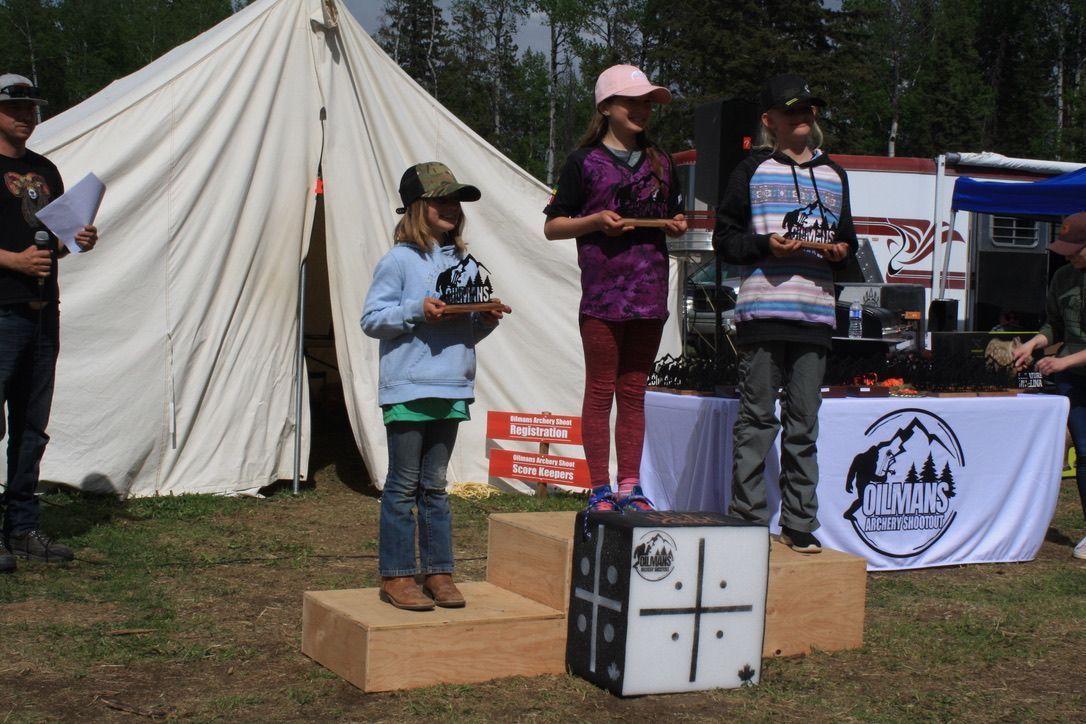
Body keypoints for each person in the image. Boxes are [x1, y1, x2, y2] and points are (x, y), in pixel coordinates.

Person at [712, 74, 857, 553]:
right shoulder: (750, 170)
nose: (803, 117)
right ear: (770, 120)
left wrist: (840, 252)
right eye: (792, 111)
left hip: (815, 314)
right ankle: (749, 520)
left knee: (804, 424)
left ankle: (799, 523)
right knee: (756, 420)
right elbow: (725, 239)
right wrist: (763, 244)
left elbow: (850, 244)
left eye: (809, 109)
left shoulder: (836, 174)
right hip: (763, 311)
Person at [361, 162, 508, 609]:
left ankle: (439, 573)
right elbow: (371, 320)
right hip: (407, 388)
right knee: (403, 485)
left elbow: (461, 332)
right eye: (441, 199)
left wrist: (483, 320)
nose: (452, 208)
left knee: (436, 486)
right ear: (416, 208)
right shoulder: (398, 260)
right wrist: (415, 310)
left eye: (456, 201)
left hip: (451, 387)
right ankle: (397, 576)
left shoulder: (463, 261)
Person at [543, 64, 687, 513]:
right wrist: (594, 222)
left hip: (649, 293)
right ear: (606, 107)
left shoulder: (662, 161)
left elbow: (677, 217)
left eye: (648, 102)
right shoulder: (582, 162)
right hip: (604, 296)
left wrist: (678, 225)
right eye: (633, 102)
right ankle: (599, 488)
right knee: (601, 389)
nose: (643, 110)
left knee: (634, 391)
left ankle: (631, 485)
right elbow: (552, 226)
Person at [0, 74, 97, 572]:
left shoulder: (45, 171)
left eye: (31, 108)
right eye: (15, 108)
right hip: (1, 310)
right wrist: (12, 262)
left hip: (42, 312)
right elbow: (20, 252)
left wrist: (76, 238)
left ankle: (21, 527)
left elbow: (51, 240)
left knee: (32, 428)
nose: (25, 116)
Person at [1012, 211, 1086, 560]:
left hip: (1069, 367)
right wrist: (1034, 343)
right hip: (1075, 380)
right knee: (1083, 452)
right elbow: (1053, 325)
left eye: (1075, 248)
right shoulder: (1062, 277)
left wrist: (1063, 362)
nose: (1068, 254)